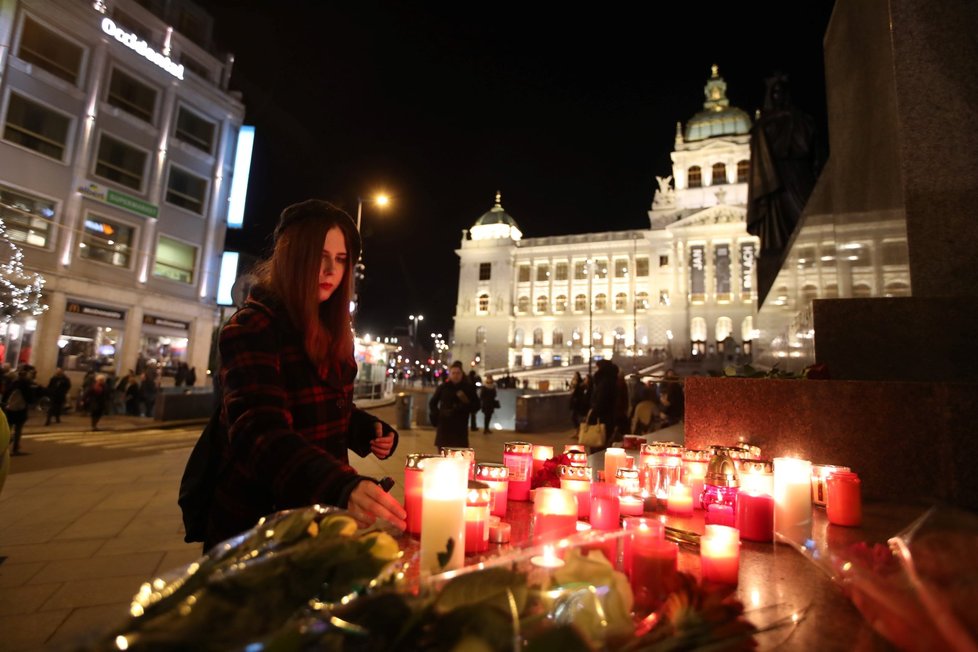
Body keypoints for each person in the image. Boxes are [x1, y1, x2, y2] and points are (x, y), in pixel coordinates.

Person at [205, 199, 405, 551]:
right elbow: (259, 432)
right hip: (262, 526)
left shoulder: (329, 328)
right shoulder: (253, 326)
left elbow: (321, 407)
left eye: (341, 260)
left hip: (319, 519)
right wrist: (342, 485)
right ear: (291, 256)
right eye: (319, 257)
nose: (330, 270)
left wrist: (362, 429)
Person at [429, 360, 479, 449]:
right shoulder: (443, 387)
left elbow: (476, 405)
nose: (456, 375)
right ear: (450, 374)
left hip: (460, 428)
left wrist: (464, 407)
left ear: (462, 374)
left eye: (458, 373)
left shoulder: (468, 388)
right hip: (444, 427)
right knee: (443, 458)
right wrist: (438, 415)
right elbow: (433, 403)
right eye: (453, 373)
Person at [586, 359, 618, 452]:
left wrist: (592, 415)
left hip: (601, 420)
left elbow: (600, 402)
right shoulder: (612, 380)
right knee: (604, 445)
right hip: (609, 419)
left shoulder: (604, 383)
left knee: (598, 445)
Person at [3, 366, 36, 455]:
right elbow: (29, 398)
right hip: (19, 409)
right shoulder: (25, 384)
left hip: (10, 409)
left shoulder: (14, 383)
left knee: (8, 429)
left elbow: (6, 394)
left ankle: (4, 446)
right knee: (17, 430)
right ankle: (15, 448)